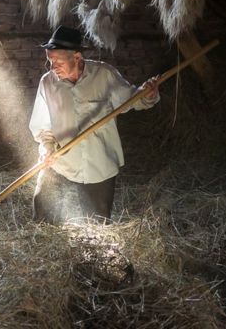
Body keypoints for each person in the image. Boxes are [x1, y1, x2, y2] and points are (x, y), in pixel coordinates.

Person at [28, 26, 160, 225]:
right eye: (49, 60)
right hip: (60, 161)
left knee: (97, 225)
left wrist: (147, 93)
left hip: (98, 164)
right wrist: (47, 148)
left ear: (77, 57)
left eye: (57, 61)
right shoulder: (48, 83)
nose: (52, 66)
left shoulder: (103, 75)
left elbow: (132, 100)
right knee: (42, 212)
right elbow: (42, 124)